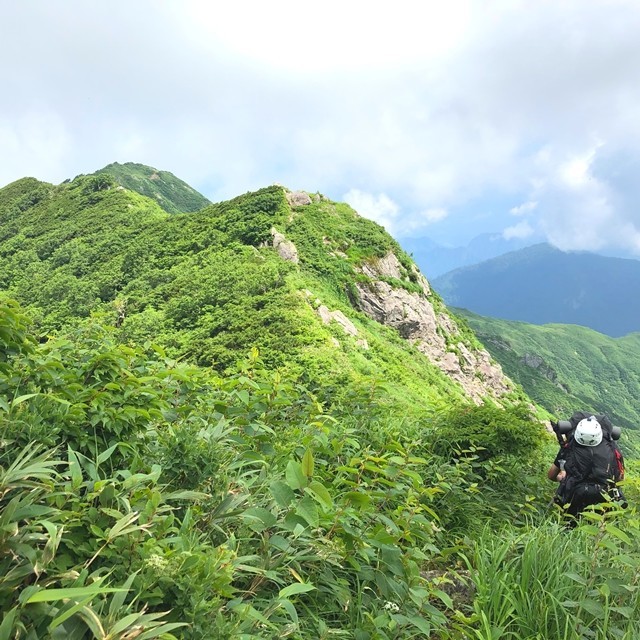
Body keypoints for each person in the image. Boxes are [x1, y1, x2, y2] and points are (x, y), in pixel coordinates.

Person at [548, 415, 625, 521]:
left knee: (568, 526)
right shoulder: (611, 449)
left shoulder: (569, 447)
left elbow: (551, 475)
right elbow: (620, 479)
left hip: (573, 500)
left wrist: (563, 477)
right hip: (603, 503)